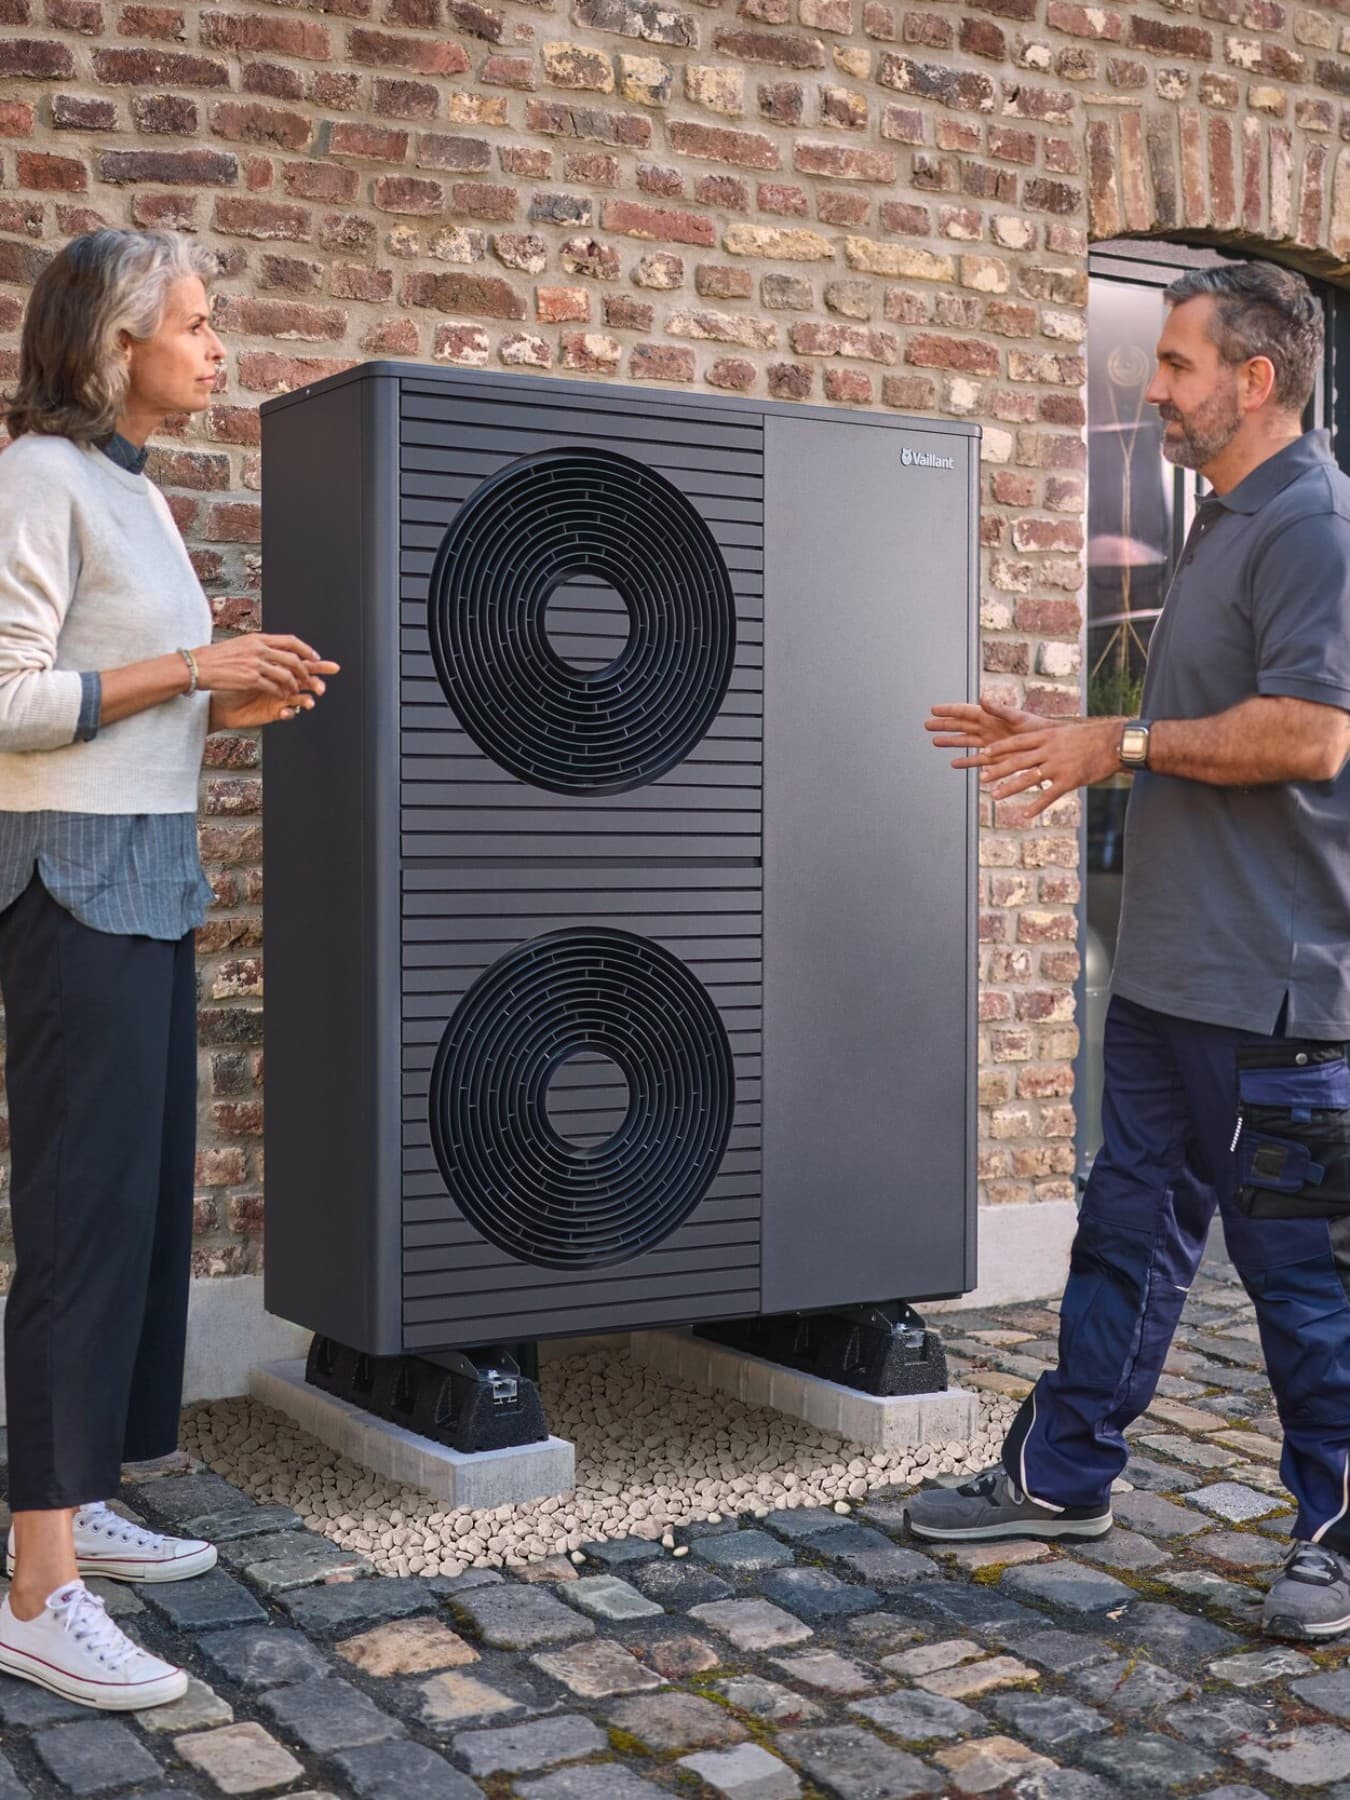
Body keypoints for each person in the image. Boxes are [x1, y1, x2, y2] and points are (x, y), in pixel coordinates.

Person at [909, 260, 1350, 1643]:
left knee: (1301, 1281)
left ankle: (1337, 1534)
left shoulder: (1311, 522)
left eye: (1172, 363)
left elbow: (1314, 733)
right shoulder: (1220, 519)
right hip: (1167, 977)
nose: (1148, 387)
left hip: (1276, 992)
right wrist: (1068, 732)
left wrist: (1121, 742)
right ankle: (1061, 1474)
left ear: (1252, 380)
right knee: (1123, 1238)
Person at [0, 228, 338, 1707]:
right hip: (66, 886)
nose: (218, 348)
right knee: (79, 1224)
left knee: (139, 1215)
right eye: (194, 326)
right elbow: (9, 699)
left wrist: (243, 693)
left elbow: (137, 706)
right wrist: (202, 667)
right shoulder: (39, 477)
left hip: (145, 876)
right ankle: (36, 1584)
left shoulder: (132, 498)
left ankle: (80, 1501)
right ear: (111, 346)